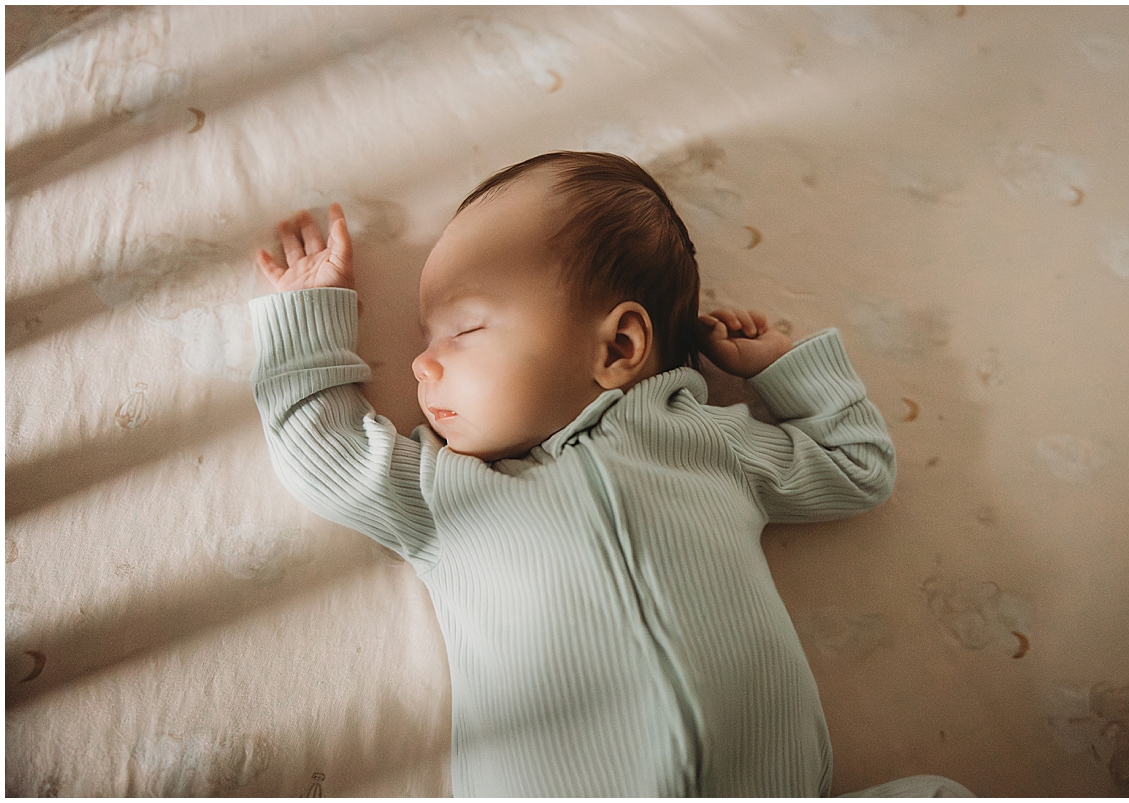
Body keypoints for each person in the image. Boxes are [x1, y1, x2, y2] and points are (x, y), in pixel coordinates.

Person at [250, 151, 971, 797]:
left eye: (464, 329)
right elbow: (323, 451)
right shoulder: (448, 493)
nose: (421, 364)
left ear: (620, 345)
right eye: (424, 338)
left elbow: (858, 467)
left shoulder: (711, 443)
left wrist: (785, 369)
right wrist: (309, 314)